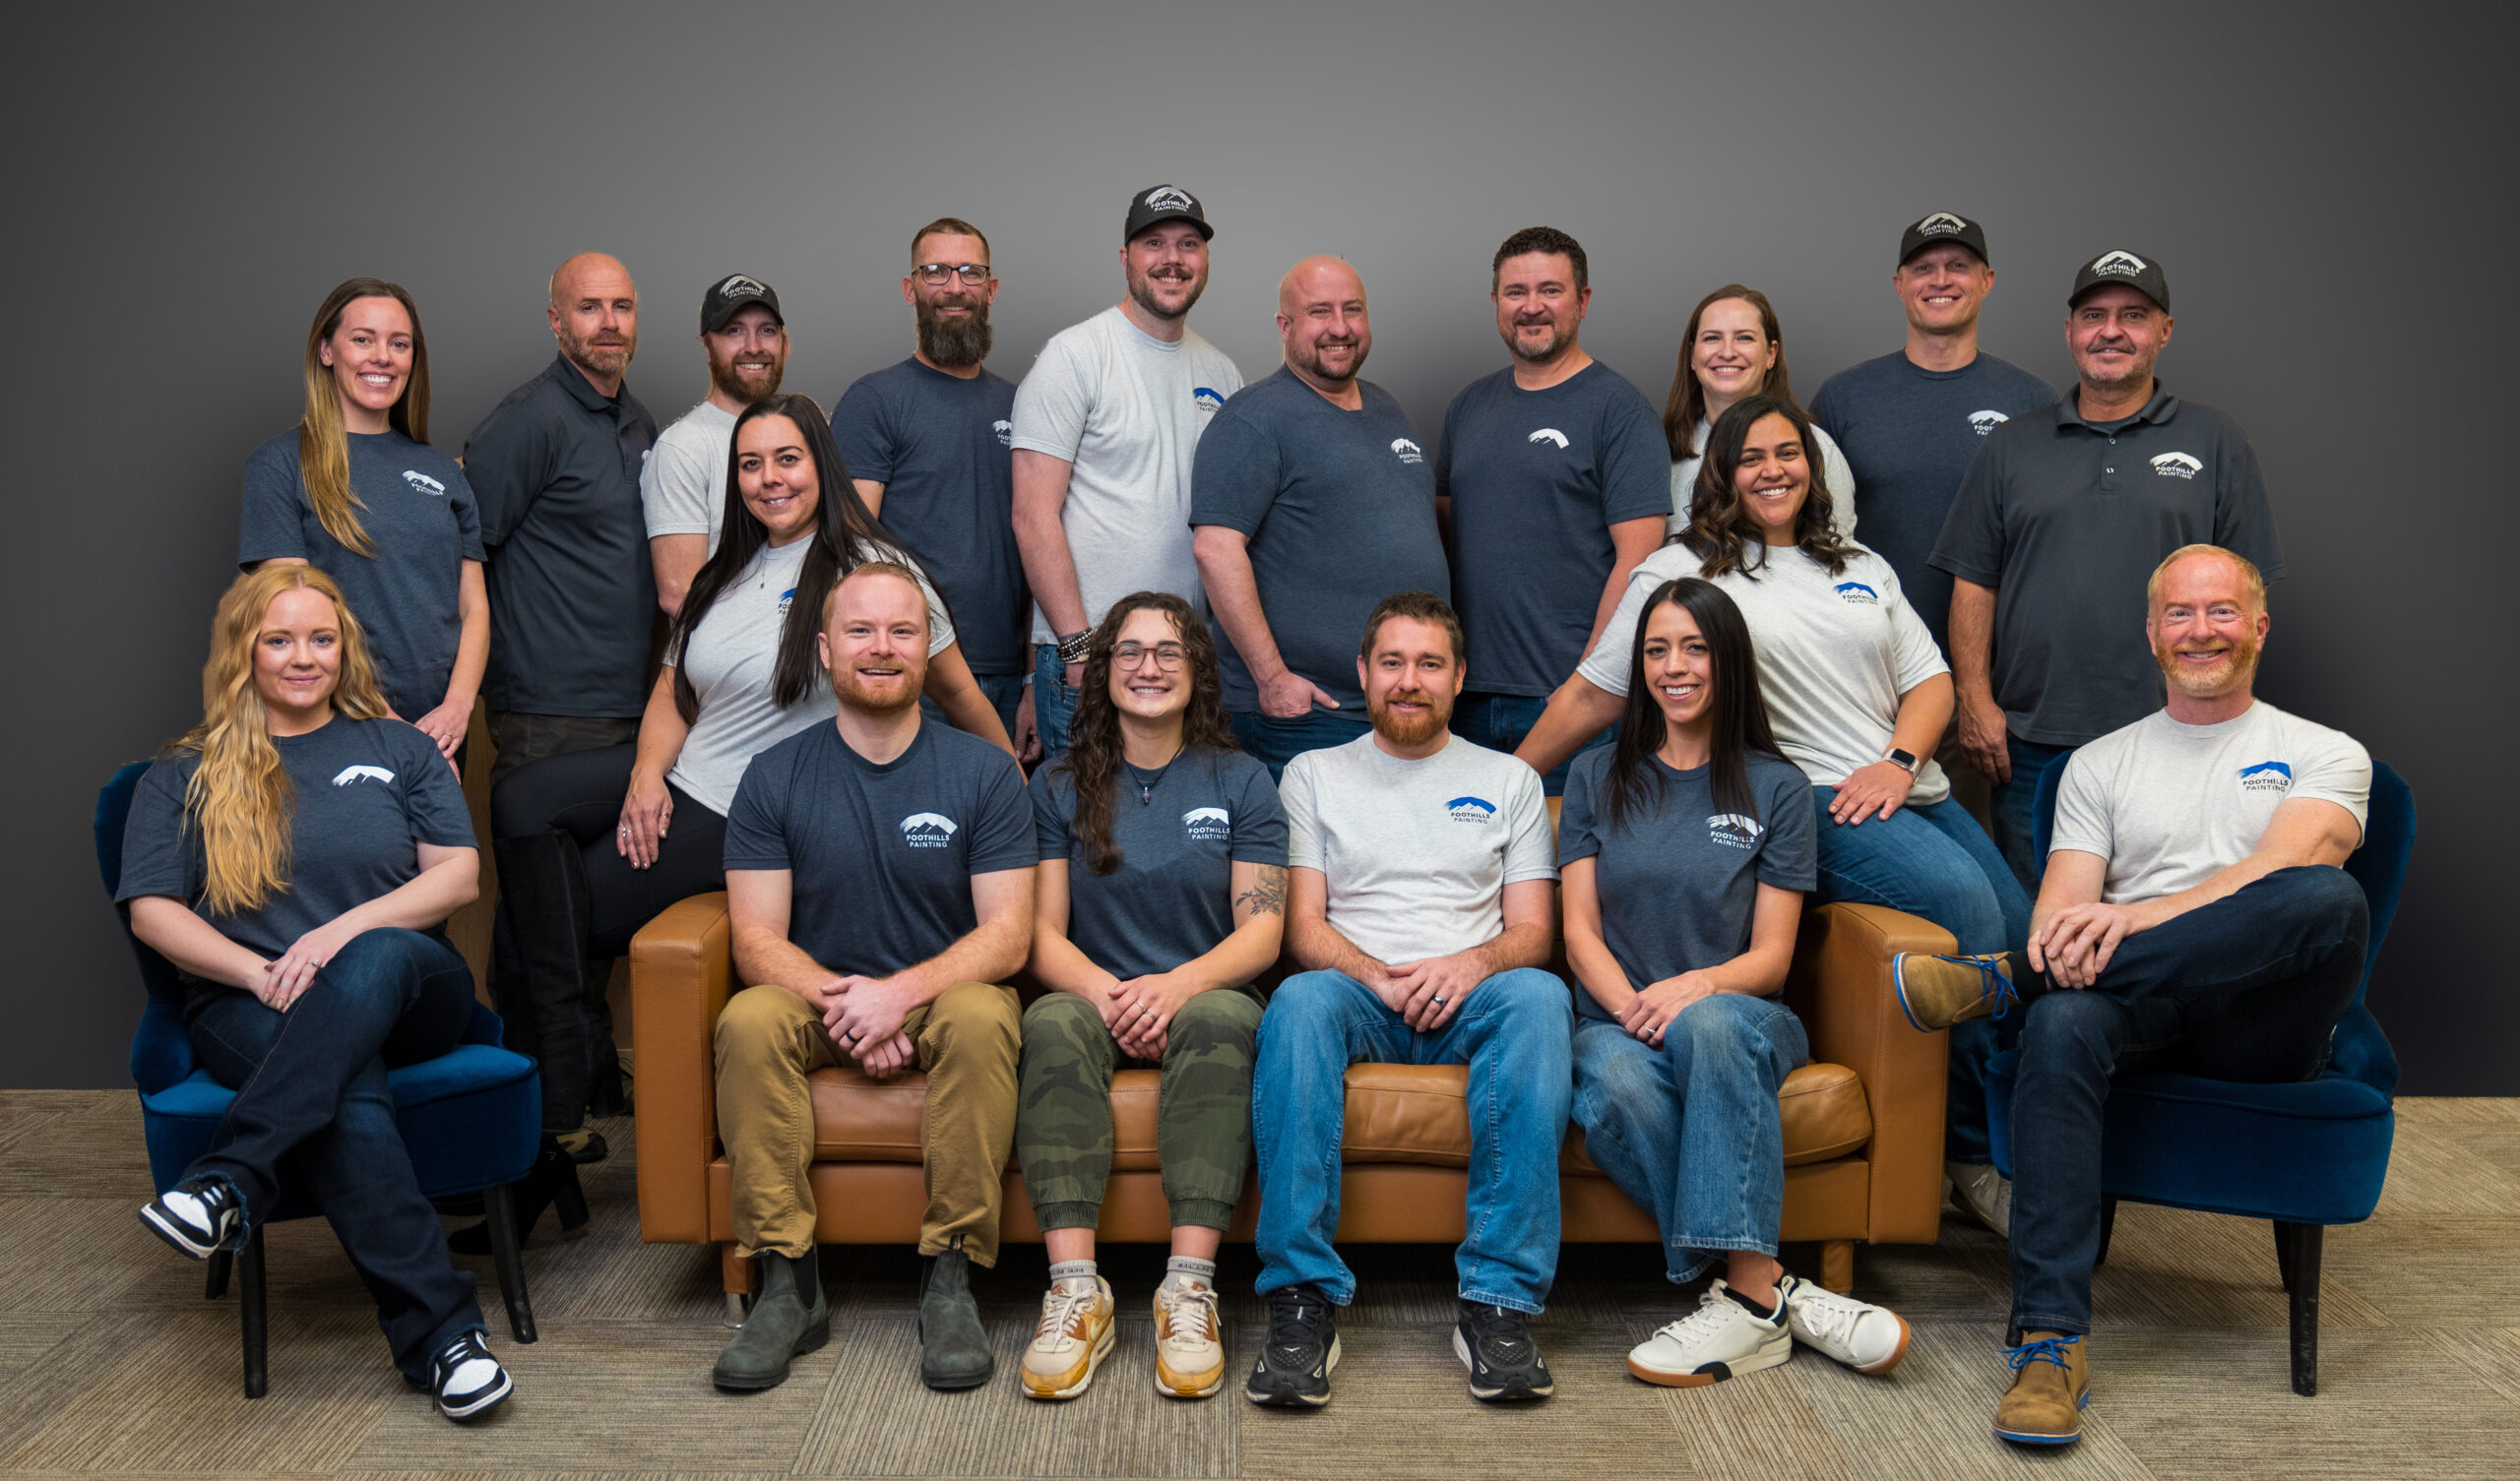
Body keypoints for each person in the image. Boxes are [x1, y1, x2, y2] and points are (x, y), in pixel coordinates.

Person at [1888, 546, 2369, 1448]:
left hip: (2261, 1025)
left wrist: (2133, 919)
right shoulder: (2100, 765)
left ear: (2258, 627)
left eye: (2221, 612)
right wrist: (2070, 945)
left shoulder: (2322, 752)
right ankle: (2048, 1342)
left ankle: (2001, 986)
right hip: (2136, 1014)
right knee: (2064, 1016)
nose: (2201, 631)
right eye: (2180, 614)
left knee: (2327, 900)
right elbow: (2064, 919)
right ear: (2152, 632)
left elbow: (2280, 875)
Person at [1514, 396, 2030, 1224]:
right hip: (1810, 795)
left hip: (1908, 788)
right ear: (1720, 472)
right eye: (1750, 456)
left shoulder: (1861, 564)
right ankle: (1968, 1154)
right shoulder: (1685, 571)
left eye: (1788, 452)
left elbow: (1929, 681)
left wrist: (1900, 762)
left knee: (2023, 934)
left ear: (1813, 464)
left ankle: (2014, 1147)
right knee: (1967, 915)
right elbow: (1594, 690)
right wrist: (1508, 784)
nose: (1773, 469)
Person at [490, 396, 1011, 1169]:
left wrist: (1015, 796)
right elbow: (673, 687)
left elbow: (960, 694)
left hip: (752, 809)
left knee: (535, 928)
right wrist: (645, 775)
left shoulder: (874, 574)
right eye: (751, 463)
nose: (769, 479)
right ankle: (563, 1094)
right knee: (521, 805)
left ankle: (549, 1121)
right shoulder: (727, 569)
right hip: (688, 778)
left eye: (788, 459)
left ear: (821, 464)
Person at [123, 565, 514, 1422]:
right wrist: (260, 974)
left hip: (413, 989)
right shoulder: (183, 773)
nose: (304, 658)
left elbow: (456, 878)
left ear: (345, 648)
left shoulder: (400, 748)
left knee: (373, 958)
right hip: (248, 1002)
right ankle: (446, 1339)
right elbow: (153, 910)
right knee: (347, 1095)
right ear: (245, 652)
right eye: (280, 639)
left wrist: (339, 935)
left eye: (322, 639)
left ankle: (229, 1175)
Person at [1561, 577, 1911, 1388]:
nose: (1674, 666)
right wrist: (1633, 1008)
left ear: (1728, 662)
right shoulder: (1594, 775)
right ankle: (1771, 1289)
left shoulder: (1777, 787)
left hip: (1747, 1016)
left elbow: (1774, 957)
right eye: (1656, 649)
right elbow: (1578, 930)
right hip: (1616, 1021)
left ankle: (1747, 1304)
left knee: (1709, 1024)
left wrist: (1693, 989)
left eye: (1694, 647)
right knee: (1609, 1075)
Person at [709, 562, 1034, 1394]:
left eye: (902, 630)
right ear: (824, 649)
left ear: (929, 648)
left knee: (983, 1013)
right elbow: (754, 939)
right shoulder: (773, 776)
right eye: (860, 631)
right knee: (748, 1018)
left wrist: (899, 997)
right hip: (823, 998)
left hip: (939, 999)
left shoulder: (985, 773)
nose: (881, 648)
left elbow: (1006, 936)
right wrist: (855, 1006)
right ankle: (788, 1280)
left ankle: (950, 1274)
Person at [1244, 591, 1570, 1408]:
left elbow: (1532, 932)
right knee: (1296, 1002)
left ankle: (1497, 1300)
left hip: (1476, 995)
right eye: (1392, 662)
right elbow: (1302, 927)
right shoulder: (1314, 773)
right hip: (1356, 990)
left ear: (1459, 678)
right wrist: (1376, 974)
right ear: (1363, 673)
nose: (1409, 680)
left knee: (1538, 996)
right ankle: (1301, 1299)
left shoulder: (1511, 779)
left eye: (1429, 664)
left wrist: (1468, 965)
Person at [1931, 250, 2285, 893]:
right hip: (2033, 746)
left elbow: (2246, 597)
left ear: (2165, 330)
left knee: (2163, 925)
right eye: (2093, 315)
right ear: (2070, 332)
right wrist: (1975, 701)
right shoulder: (2012, 445)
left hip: (2176, 738)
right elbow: (1973, 580)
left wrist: (2228, 724)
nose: (2111, 331)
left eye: (2133, 315)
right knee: (2042, 934)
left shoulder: (2217, 441)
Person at [1013, 592, 1286, 1401]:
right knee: (1049, 1019)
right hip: (1094, 996)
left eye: (1170, 651)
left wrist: (1176, 985)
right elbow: (1040, 934)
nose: (1149, 666)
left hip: (1205, 993)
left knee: (1220, 1014)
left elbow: (1263, 930)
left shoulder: (1241, 778)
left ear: (1198, 669)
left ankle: (1189, 1285)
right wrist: (1107, 991)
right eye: (1129, 651)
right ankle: (1073, 1289)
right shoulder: (1057, 784)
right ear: (1101, 673)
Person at [1190, 255, 1449, 777]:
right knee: (1307, 861)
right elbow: (1215, 549)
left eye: (1352, 310)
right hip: (1308, 714)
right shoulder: (1251, 419)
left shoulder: (1384, 407)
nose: (1340, 328)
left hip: (1398, 707)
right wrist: (1272, 679)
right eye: (1319, 312)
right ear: (1285, 327)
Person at [1012, 184, 1242, 757]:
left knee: (1175, 837)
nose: (1172, 258)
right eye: (1154, 243)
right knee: (1086, 837)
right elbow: (1031, 513)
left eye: (1188, 244)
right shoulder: (1073, 356)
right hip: (1091, 658)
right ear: (1125, 259)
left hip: (1184, 663)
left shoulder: (1222, 372)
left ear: (1205, 261)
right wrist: (1075, 650)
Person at [1807, 212, 2057, 738]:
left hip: (1998, 682)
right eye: (1923, 268)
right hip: (1869, 670)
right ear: (1900, 285)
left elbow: (2049, 544)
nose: (1940, 280)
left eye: (1957, 266)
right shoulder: (1843, 398)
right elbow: (1806, 535)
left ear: (1987, 281)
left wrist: (1982, 688)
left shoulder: (2032, 402)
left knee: (1984, 821)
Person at [1436, 226, 1668, 792]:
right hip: (1462, 697)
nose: (1532, 307)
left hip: (1568, 701)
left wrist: (1584, 684)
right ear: (1495, 302)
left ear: (1583, 301)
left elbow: (1639, 563)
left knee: (1560, 870)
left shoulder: (1619, 410)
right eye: (1515, 292)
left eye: (1550, 290)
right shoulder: (1468, 406)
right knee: (1463, 863)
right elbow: (1443, 536)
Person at [238, 278, 485, 764]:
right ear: (327, 350)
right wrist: (396, 731)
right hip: (332, 724)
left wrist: (457, 710)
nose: (383, 357)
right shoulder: (280, 465)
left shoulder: (442, 472)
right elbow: (294, 623)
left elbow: (474, 607)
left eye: (399, 344)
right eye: (363, 339)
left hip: (440, 732)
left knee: (446, 844)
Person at [833, 217, 1033, 751]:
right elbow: (853, 549)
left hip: (1011, 675)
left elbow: (1042, 539)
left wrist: (1036, 679)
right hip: (914, 673)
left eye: (969, 272)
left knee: (1004, 828)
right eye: (935, 271)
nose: (953, 286)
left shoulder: (1024, 404)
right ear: (911, 288)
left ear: (990, 288)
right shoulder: (873, 401)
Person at [463, 251, 661, 784]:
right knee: (544, 869)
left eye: (622, 307)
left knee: (619, 868)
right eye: (589, 308)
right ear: (555, 320)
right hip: (548, 713)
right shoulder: (526, 422)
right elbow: (463, 559)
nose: (610, 323)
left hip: (635, 704)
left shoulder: (640, 423)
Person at [643, 273, 789, 618]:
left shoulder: (802, 435)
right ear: (706, 345)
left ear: (785, 343)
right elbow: (680, 595)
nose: (753, 346)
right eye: (734, 331)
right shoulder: (683, 448)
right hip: (727, 667)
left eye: (766, 330)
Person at [1662, 284, 1856, 539]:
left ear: (1770, 354)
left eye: (1744, 338)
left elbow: (1837, 554)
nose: (1728, 352)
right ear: (1692, 356)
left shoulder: (1816, 448)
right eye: (1712, 338)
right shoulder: (1662, 453)